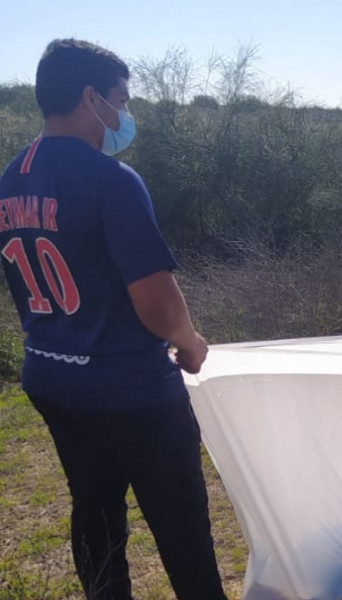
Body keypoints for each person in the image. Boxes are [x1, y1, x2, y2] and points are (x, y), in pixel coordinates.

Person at [0, 39, 227, 600]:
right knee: (182, 528)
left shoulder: (12, 176)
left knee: (95, 515)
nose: (125, 114)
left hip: (51, 376)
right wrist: (190, 341)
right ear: (89, 97)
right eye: (121, 99)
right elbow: (155, 299)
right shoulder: (111, 179)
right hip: (131, 387)